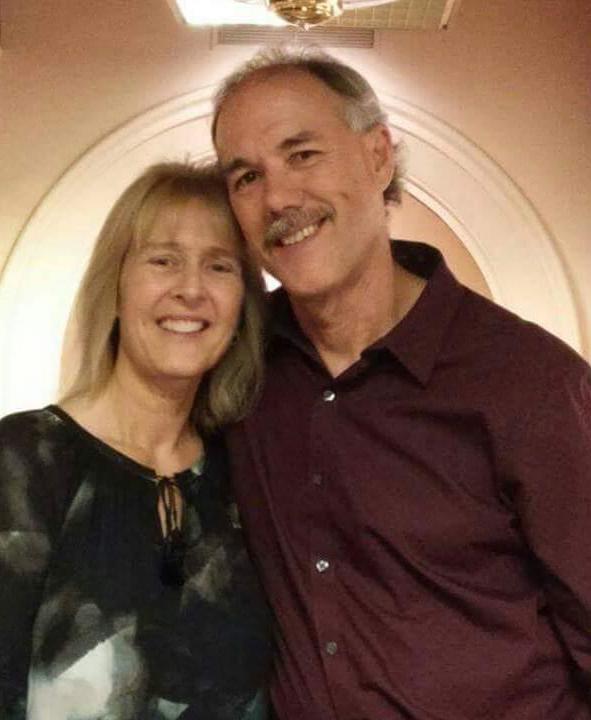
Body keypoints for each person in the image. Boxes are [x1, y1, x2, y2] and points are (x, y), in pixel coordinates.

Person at [211, 48, 591, 720]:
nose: (278, 198)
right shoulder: (234, 366)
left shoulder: (531, 381)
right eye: (246, 177)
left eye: (303, 155)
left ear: (378, 156)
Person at [0, 161, 272, 719]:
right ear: (117, 286)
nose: (191, 289)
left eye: (219, 266)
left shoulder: (245, 474)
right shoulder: (23, 461)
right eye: (163, 260)